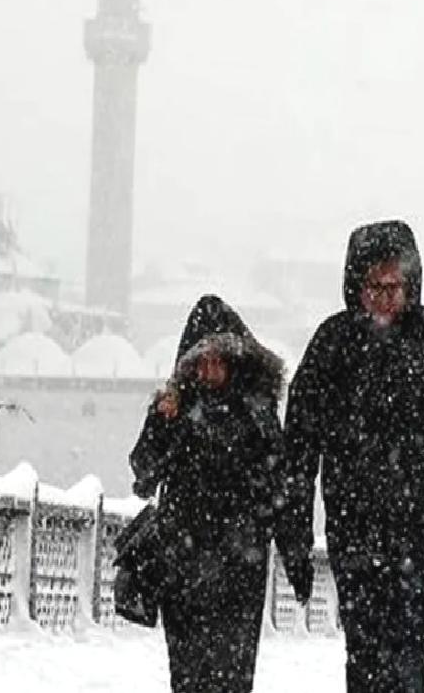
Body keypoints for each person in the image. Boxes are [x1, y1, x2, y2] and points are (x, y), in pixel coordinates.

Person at [278, 220, 424, 693]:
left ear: (410, 286)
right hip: (353, 520)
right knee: (363, 642)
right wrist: (295, 533)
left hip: (418, 524)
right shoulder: (333, 345)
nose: (385, 298)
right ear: (356, 287)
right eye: (375, 287)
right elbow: (298, 446)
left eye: (393, 287)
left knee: (406, 641)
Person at [129, 294, 287, 693]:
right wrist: (162, 423)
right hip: (184, 562)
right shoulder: (176, 410)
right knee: (187, 673)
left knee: (230, 673)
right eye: (202, 361)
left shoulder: (255, 413)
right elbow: (143, 471)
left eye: (218, 359)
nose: (210, 370)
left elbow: (277, 480)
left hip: (237, 565)